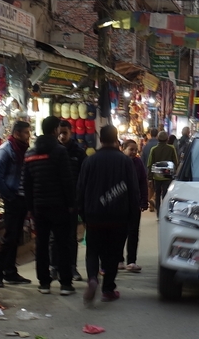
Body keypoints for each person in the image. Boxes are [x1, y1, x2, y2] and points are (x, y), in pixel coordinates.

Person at [76, 125, 141, 306]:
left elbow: (80, 189)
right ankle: (108, 289)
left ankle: (92, 279)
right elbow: (133, 190)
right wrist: (133, 214)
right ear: (116, 139)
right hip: (118, 216)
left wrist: (82, 212)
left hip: (94, 215)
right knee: (113, 253)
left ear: (100, 139)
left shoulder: (89, 161)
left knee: (93, 250)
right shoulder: (125, 161)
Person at [22, 116, 77, 296]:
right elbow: (67, 181)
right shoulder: (60, 151)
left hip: (39, 206)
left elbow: (27, 184)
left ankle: (44, 283)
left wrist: (31, 207)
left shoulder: (30, 154)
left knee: (42, 243)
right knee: (63, 244)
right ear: (55, 130)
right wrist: (71, 204)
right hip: (59, 205)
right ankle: (65, 284)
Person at [0, 120, 33, 287]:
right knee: (9, 238)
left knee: (15, 237)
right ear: (16, 133)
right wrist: (10, 197)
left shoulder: (22, 150)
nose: (28, 135)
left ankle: (10, 272)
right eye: (25, 132)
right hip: (13, 199)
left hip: (21, 199)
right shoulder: (6, 150)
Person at [53, 120, 86, 284]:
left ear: (70, 132)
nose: (61, 136)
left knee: (71, 237)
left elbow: (84, 177)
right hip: (54, 201)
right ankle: (55, 267)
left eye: (64, 133)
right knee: (54, 237)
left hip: (72, 202)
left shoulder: (78, 153)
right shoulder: (52, 151)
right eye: (59, 133)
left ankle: (72, 267)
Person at [122, 139, 148, 272]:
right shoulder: (118, 162)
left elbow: (143, 182)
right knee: (119, 232)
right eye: (131, 149)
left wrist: (144, 200)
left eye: (135, 150)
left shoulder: (138, 163)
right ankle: (118, 259)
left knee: (133, 232)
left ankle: (131, 261)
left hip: (134, 203)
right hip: (119, 204)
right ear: (123, 148)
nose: (133, 152)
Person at [147, 131, 178, 215]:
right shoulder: (171, 148)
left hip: (156, 176)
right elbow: (175, 162)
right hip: (167, 176)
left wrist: (150, 177)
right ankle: (164, 212)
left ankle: (158, 214)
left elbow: (150, 164)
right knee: (165, 194)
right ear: (167, 139)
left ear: (158, 138)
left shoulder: (153, 149)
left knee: (157, 194)